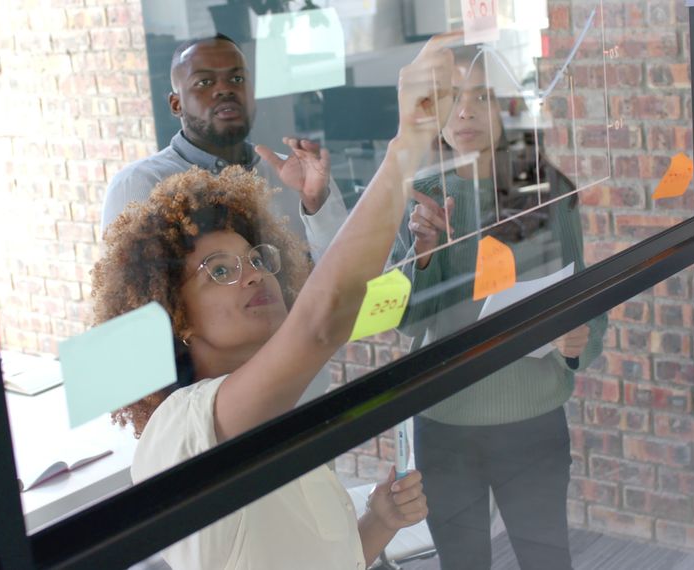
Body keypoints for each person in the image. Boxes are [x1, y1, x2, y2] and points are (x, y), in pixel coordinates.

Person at [90, 35, 459, 570]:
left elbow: (324, 555)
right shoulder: (192, 431)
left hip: (295, 421)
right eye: (218, 271)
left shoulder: (284, 175)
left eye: (259, 259)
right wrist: (409, 142)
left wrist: (378, 522)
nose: (255, 277)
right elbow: (319, 318)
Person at [388, 49, 607, 569]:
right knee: (462, 561)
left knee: (545, 557)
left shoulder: (546, 191)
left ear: (508, 108)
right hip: (444, 419)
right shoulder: (420, 195)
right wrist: (422, 255)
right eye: (451, 99)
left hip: (531, 416)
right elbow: (408, 323)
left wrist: (580, 342)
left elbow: (584, 300)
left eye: (481, 98)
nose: (464, 113)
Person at [100, 33, 347, 264]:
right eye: (204, 81)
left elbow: (347, 274)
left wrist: (315, 202)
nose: (225, 89)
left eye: (237, 79)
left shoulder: (298, 176)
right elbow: (133, 303)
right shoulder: (141, 184)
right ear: (176, 104)